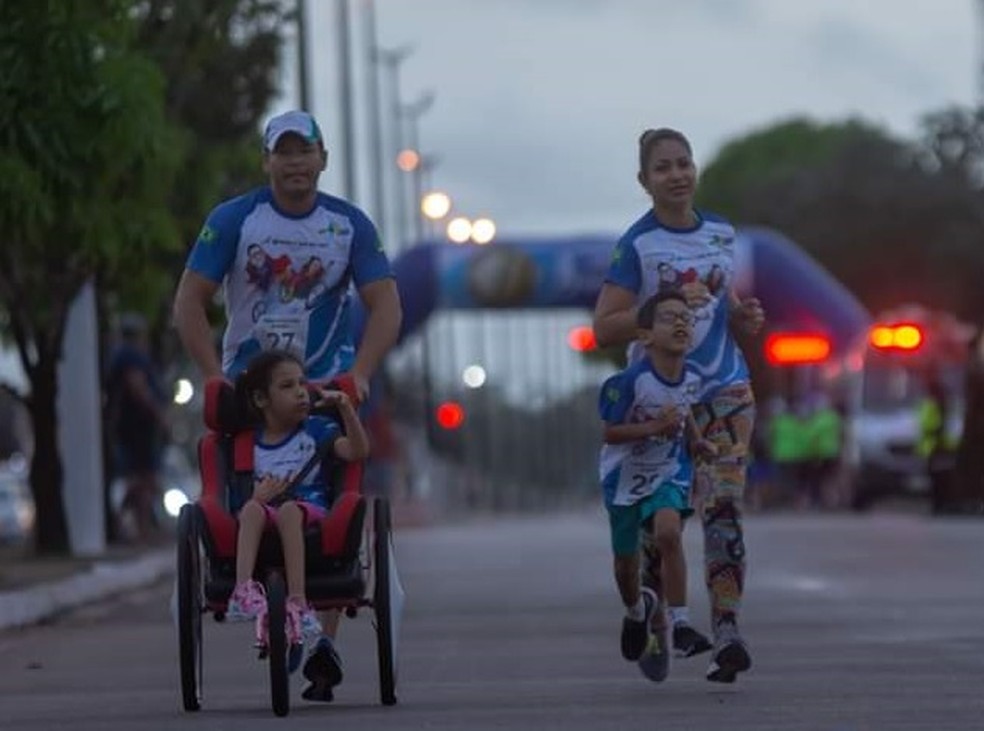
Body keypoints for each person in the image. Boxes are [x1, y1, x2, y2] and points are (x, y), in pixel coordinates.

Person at [172, 109, 402, 701]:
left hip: (322, 386)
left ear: (323, 159)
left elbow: (387, 305)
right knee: (245, 487)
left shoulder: (350, 225)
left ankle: (320, 636)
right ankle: (255, 588)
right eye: (285, 152)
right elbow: (190, 301)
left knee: (336, 496)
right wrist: (208, 374)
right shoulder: (234, 219)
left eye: (307, 152)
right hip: (251, 388)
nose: (296, 163)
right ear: (268, 161)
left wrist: (363, 373)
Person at [593, 127, 765, 684]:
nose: (676, 175)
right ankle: (654, 612)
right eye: (663, 168)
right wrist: (657, 310)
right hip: (660, 401)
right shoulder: (637, 245)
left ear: (696, 170)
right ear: (645, 181)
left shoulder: (720, 232)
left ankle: (729, 631)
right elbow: (604, 327)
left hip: (725, 391)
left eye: (683, 164)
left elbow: (727, 303)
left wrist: (743, 318)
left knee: (722, 509)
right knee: (662, 526)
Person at [599, 291, 718, 675]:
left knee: (669, 533)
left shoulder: (692, 378)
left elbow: (684, 412)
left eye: (686, 317)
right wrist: (653, 427)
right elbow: (611, 433)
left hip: (668, 469)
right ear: (646, 336)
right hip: (624, 478)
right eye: (668, 318)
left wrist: (697, 442)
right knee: (624, 566)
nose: (681, 323)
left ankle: (681, 624)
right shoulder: (629, 382)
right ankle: (637, 610)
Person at [225, 350, 369, 661]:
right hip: (266, 512)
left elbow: (356, 452)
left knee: (290, 511)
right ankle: (243, 590)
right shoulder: (247, 445)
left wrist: (345, 409)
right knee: (250, 510)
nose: (301, 392)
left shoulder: (318, 430)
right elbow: (238, 502)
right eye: (287, 386)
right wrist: (256, 498)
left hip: (310, 510)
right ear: (262, 399)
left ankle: (299, 600)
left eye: (302, 383)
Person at [105, 313, 170, 543]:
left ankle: (132, 524)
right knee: (143, 478)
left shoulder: (121, 355)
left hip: (131, 424)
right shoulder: (130, 355)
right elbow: (137, 386)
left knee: (142, 478)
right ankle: (137, 528)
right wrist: (159, 414)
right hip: (137, 425)